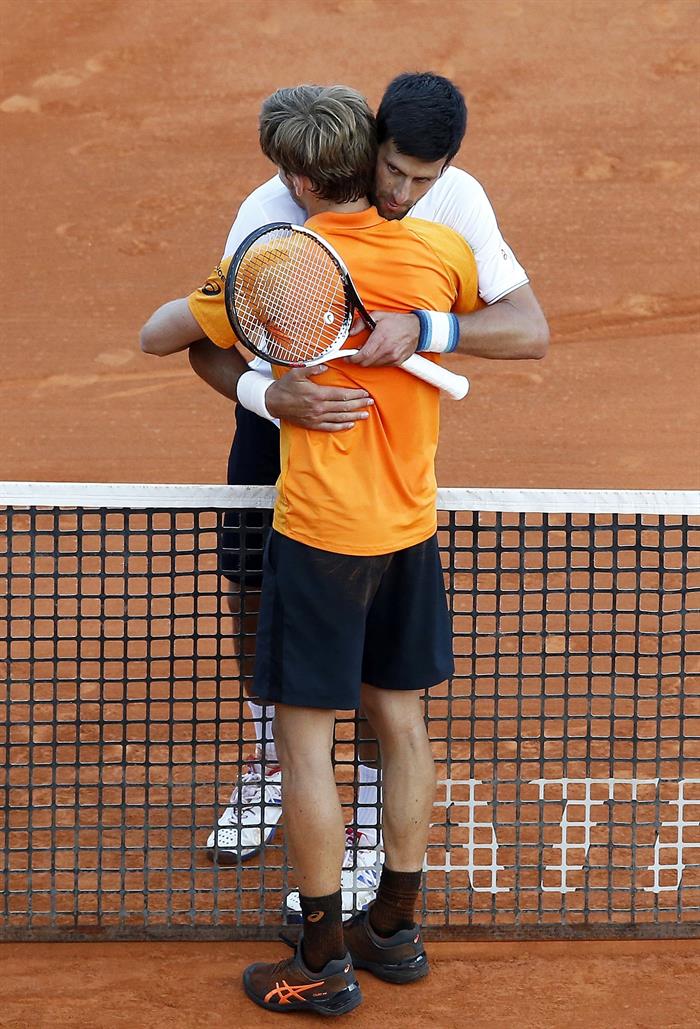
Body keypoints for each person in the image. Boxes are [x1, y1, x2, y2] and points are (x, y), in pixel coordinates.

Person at [142, 82, 484, 1016]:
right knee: (404, 726)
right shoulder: (441, 253)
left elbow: (156, 336)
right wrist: (428, 327)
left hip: (320, 537)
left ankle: (324, 962)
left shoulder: (272, 262)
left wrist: (267, 380)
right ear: (373, 159)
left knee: (306, 746)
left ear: (295, 176)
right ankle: (397, 932)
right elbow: (515, 325)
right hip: (410, 532)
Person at [183, 72, 548, 876]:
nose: (409, 191)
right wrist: (268, 394)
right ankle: (270, 765)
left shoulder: (456, 206)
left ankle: (368, 828)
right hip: (278, 430)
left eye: (427, 176)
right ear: (369, 146)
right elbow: (207, 333)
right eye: (396, 173)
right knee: (251, 594)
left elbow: (528, 329)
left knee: (381, 665)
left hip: (381, 464)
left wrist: (430, 323)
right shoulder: (272, 210)